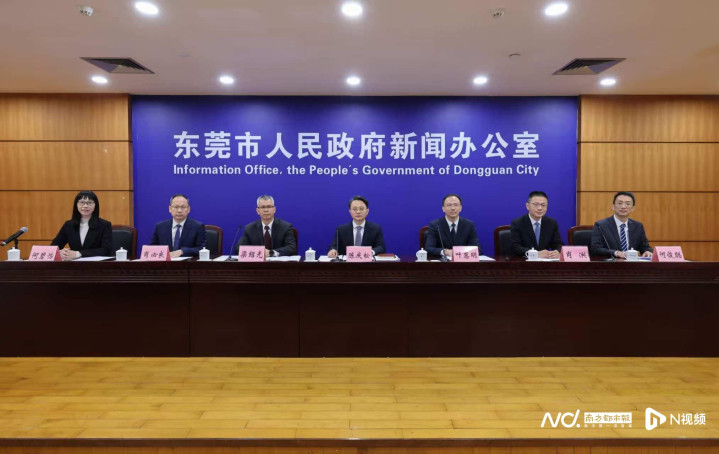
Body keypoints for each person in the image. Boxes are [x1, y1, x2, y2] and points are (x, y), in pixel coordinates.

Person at [51, 190, 112, 260]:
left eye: (89, 203)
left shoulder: (104, 225)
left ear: (95, 205)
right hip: (73, 264)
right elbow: (54, 246)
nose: (85, 206)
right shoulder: (68, 225)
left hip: (96, 265)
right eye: (82, 202)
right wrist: (60, 252)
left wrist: (78, 253)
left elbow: (106, 250)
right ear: (76, 204)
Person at [590, 191, 653, 258]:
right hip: (611, 263)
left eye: (627, 204)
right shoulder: (601, 225)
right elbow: (596, 249)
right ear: (613, 206)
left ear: (633, 208)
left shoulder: (638, 226)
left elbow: (645, 247)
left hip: (632, 263)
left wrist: (648, 251)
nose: (623, 207)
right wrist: (616, 253)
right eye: (620, 203)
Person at [424, 193, 481, 260]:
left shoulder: (469, 225)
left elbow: (477, 249)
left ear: (460, 208)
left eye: (456, 205)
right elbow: (429, 248)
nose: (453, 208)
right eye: (449, 205)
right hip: (442, 263)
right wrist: (445, 252)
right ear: (443, 208)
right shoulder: (435, 225)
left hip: (463, 263)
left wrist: (459, 253)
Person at [510, 191, 563, 258]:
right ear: (527, 206)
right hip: (524, 262)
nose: (540, 208)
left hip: (545, 262)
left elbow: (558, 244)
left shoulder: (552, 223)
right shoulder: (517, 223)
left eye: (543, 205)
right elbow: (515, 247)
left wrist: (558, 252)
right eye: (536, 204)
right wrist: (535, 254)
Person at [150, 194, 207, 258]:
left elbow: (201, 249)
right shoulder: (160, 227)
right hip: (165, 263)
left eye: (183, 207)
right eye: (176, 207)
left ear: (188, 209)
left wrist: (182, 251)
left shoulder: (197, 227)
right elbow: (153, 249)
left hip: (187, 263)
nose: (179, 211)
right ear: (170, 209)